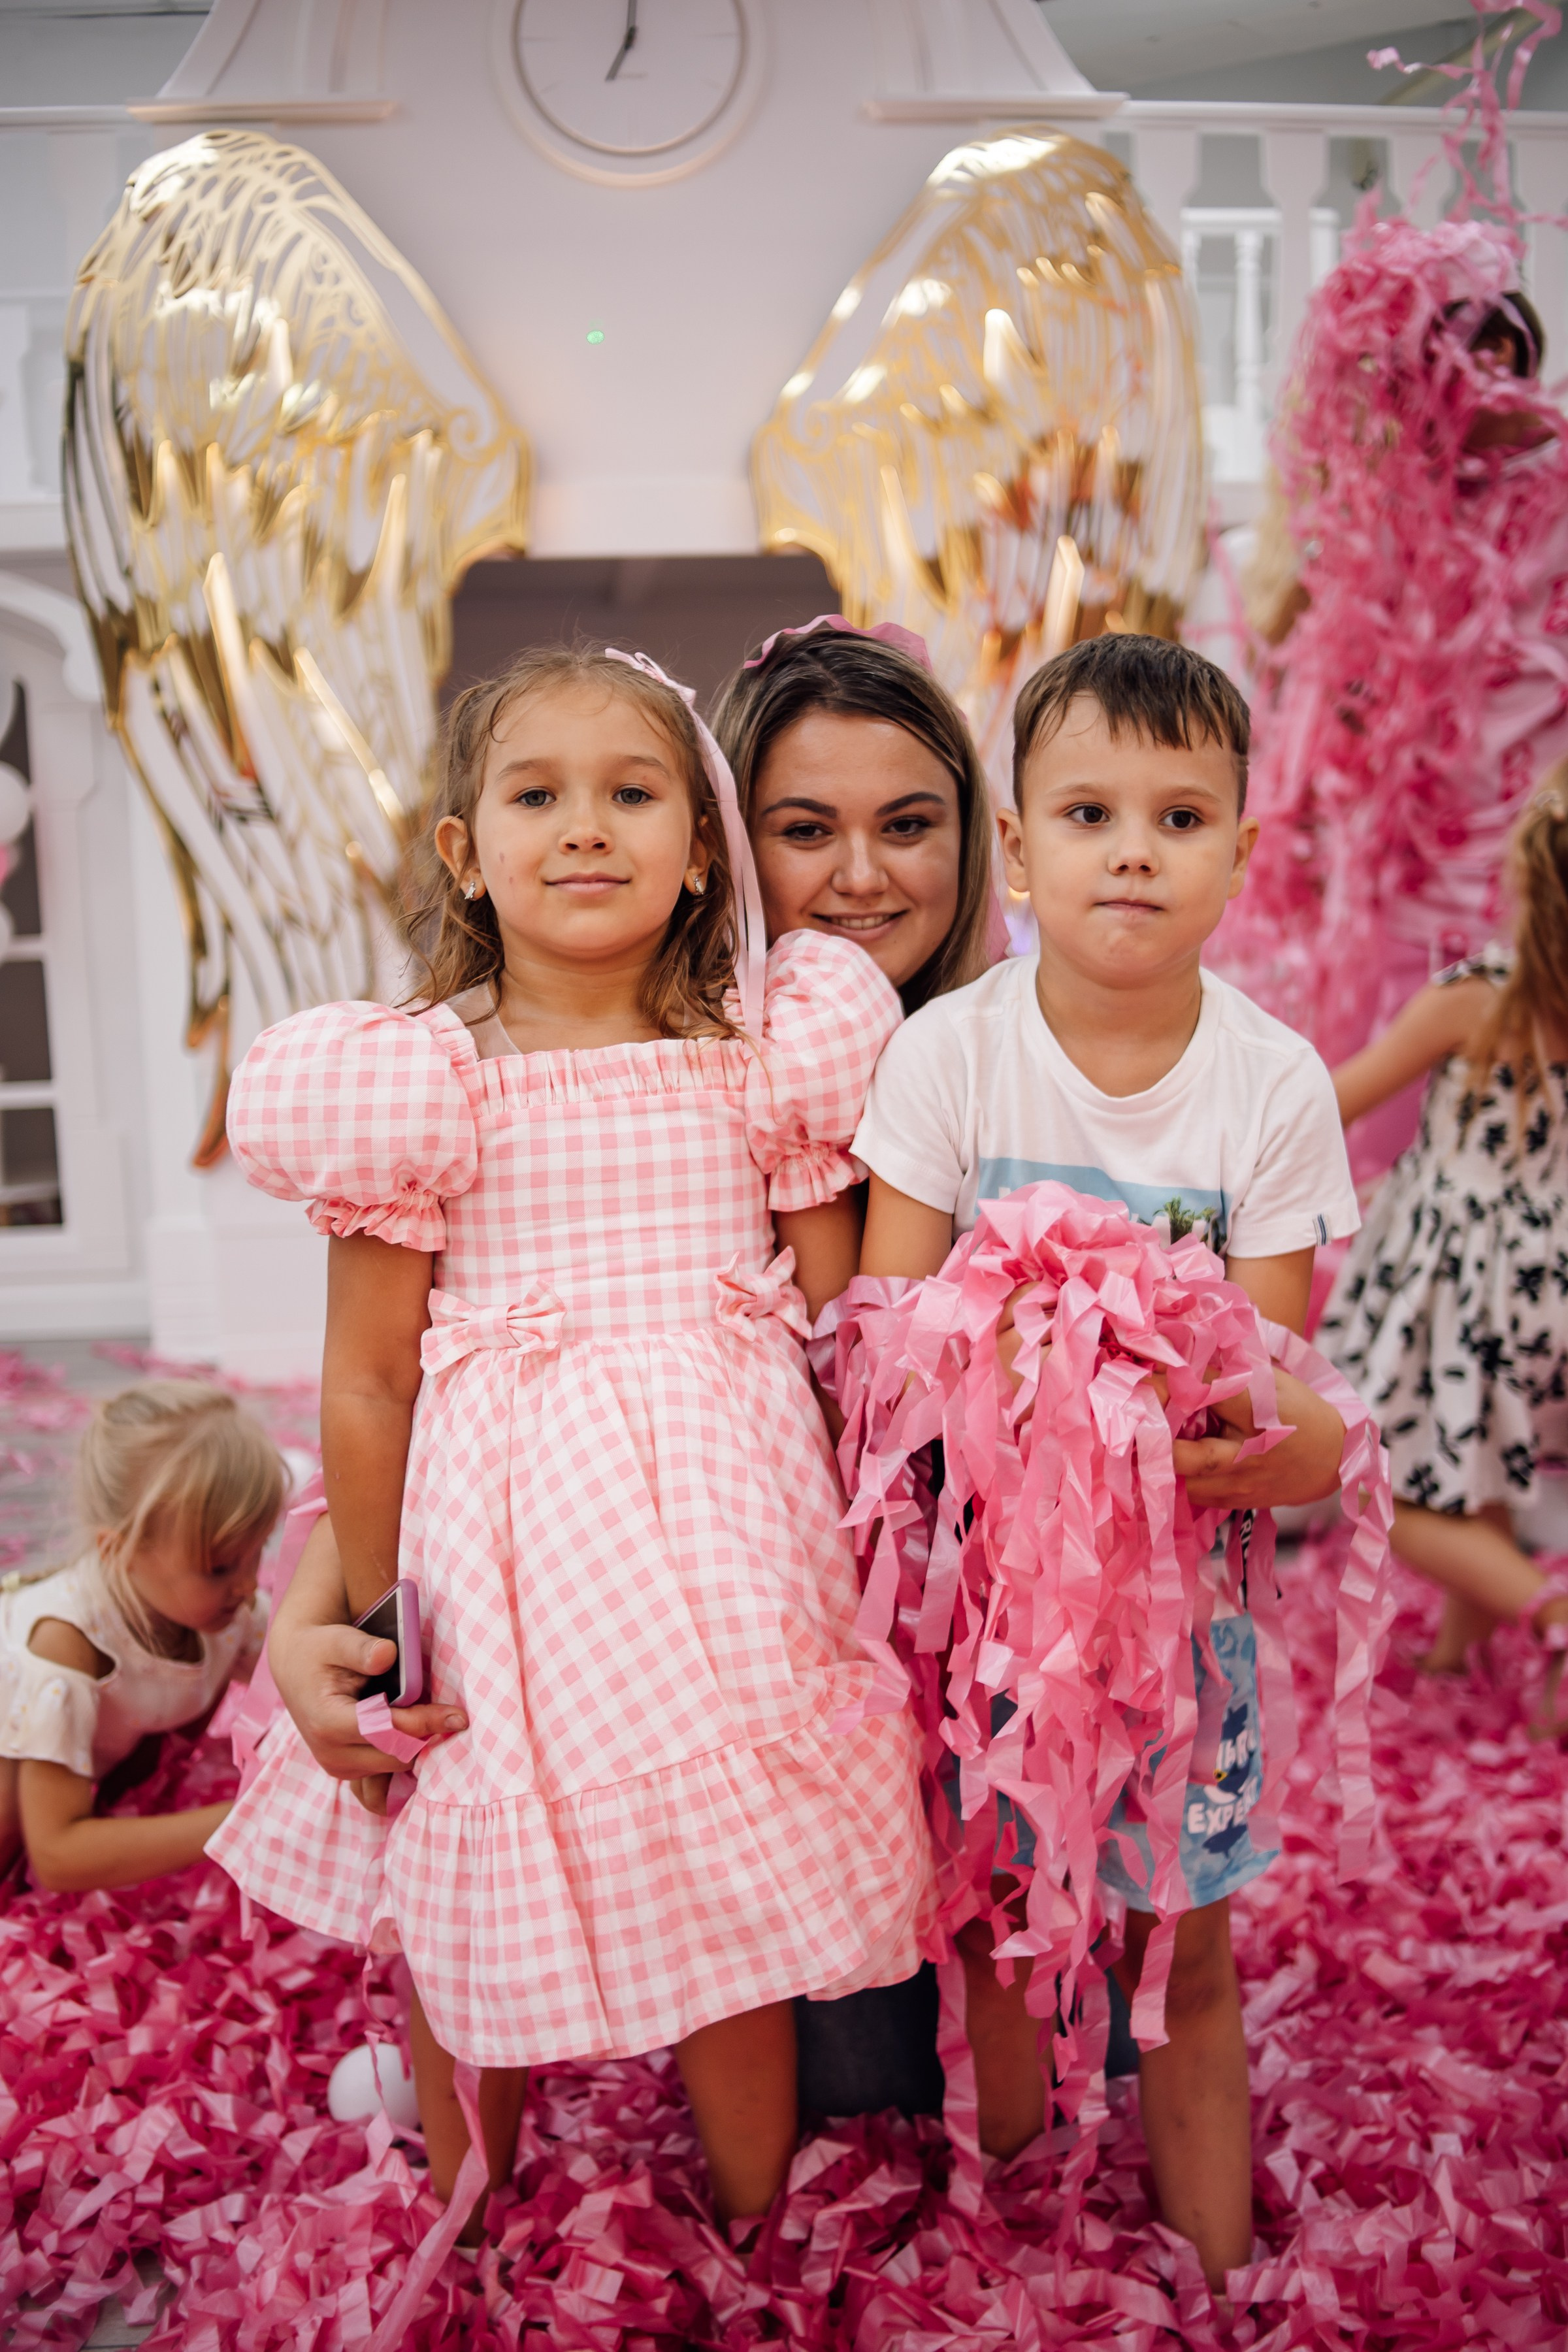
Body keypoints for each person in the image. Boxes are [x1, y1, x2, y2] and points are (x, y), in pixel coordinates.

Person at [204, 644, 934, 2241]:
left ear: (697, 852)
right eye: (535, 795)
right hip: (508, 1538)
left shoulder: (766, 1051)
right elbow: (369, 1375)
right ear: (465, 849)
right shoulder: (420, 1077)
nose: (585, 828)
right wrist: (379, 1595)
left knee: (736, 1886)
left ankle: (751, 2213)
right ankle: (468, 2201)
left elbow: (838, 1328)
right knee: (466, 1866)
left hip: (737, 1525)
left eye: (631, 794)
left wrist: (858, 1529)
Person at [849, 633, 1360, 2287]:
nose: (1129, 848)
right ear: (1021, 844)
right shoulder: (950, 1059)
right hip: (984, 1617)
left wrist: (1220, 1428)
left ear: (1236, 853)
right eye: (1084, 810)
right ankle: (1007, 2246)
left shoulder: (1269, 1083)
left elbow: (1257, 1381)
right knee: (1001, 1945)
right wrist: (1021, 1357)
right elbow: (885, 1332)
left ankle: (1206, 2266)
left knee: (1179, 1955)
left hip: (1178, 1622)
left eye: (1175, 815)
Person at [1320, 781, 1568, 1698]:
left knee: (1381, 1485)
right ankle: (1467, 1658)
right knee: (1485, 1461)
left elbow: (1334, 1103)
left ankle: (1552, 1615)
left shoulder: (1478, 1000)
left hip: (1460, 1282)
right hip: (1550, 1283)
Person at [0, 1380, 281, 1891]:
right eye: (219, 1567)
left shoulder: (228, 1609)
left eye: (257, 1550)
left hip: (108, 1769)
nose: (247, 1585)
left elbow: (297, 1677)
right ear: (121, 1552)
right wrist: (244, 1818)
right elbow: (59, 1857)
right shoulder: (63, 1644)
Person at [710, 613, 998, 1013]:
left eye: (905, 826)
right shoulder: (660, 1067)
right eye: (807, 831)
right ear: (727, 844)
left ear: (968, 834)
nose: (862, 881)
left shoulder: (1033, 1059)